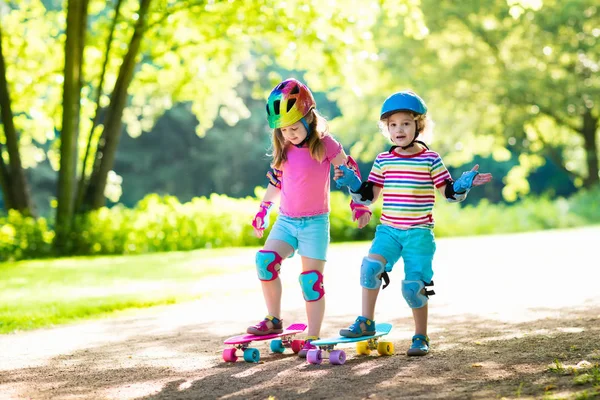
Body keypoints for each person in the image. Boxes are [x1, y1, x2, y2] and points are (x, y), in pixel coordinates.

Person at [334, 90, 492, 356]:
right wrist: (351, 181)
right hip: (389, 232)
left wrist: (463, 183)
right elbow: (369, 195)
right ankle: (366, 322)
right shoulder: (383, 160)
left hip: (419, 233)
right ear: (387, 129)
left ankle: (421, 336)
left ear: (419, 125)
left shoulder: (431, 159)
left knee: (413, 287)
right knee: (370, 267)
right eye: (393, 125)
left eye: (405, 123)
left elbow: (448, 193)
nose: (399, 130)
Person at [248, 78, 371, 358]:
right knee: (265, 261)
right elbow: (276, 183)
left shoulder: (326, 145)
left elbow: (349, 171)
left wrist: (359, 204)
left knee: (311, 280)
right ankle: (273, 319)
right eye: (283, 129)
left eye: (294, 127)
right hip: (286, 221)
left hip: (315, 223)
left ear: (309, 117)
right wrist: (263, 210)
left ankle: (313, 336)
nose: (289, 134)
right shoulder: (284, 148)